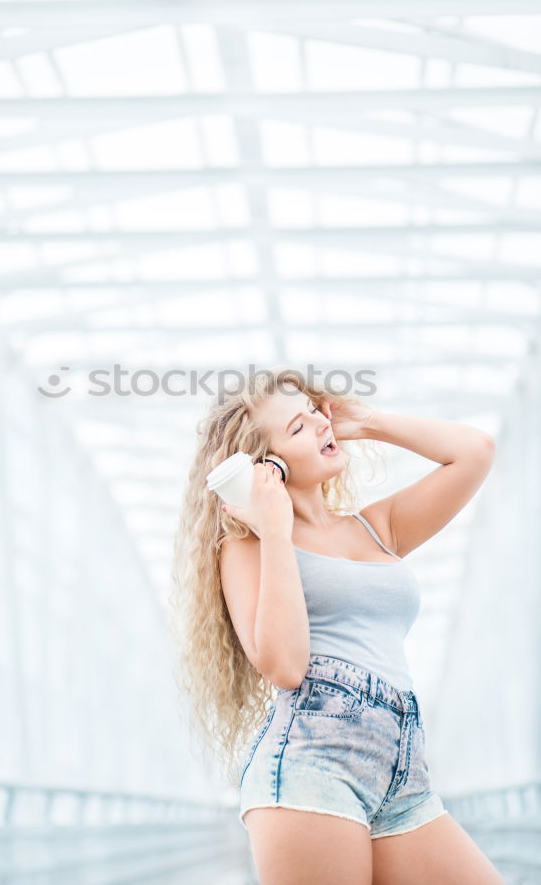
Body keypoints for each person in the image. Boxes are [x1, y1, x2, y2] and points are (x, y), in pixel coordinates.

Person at [169, 367, 505, 885]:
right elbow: (283, 666)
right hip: (311, 767)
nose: (318, 424)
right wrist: (275, 530)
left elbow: (476, 451)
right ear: (266, 466)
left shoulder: (376, 527)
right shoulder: (248, 547)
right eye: (297, 429)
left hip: (403, 779)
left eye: (313, 412)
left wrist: (365, 421)